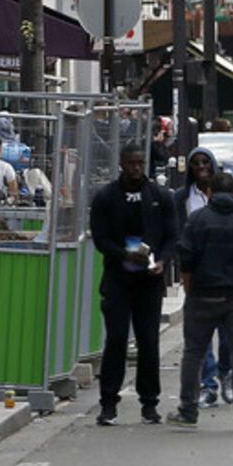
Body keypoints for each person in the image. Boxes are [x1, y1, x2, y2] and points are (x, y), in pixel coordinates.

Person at [169, 171, 233, 430]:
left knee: (194, 353)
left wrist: (190, 291)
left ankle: (188, 410)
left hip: (202, 294)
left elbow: (186, 258)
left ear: (210, 193)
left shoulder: (198, 219)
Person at [89, 142, 178, 425]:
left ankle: (149, 403)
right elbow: (100, 238)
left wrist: (162, 262)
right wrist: (122, 254)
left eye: (140, 162)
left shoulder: (160, 196)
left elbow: (172, 235)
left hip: (149, 282)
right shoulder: (106, 197)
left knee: (149, 342)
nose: (136, 168)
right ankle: (108, 403)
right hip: (117, 278)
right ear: (121, 164)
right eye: (131, 163)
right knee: (115, 340)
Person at [175, 146, 233, 407]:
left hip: (231, 272)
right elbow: (178, 232)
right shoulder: (182, 198)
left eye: (205, 162)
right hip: (200, 274)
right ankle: (207, 384)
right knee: (200, 342)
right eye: (196, 163)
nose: (202, 167)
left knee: (228, 337)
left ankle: (226, 373)